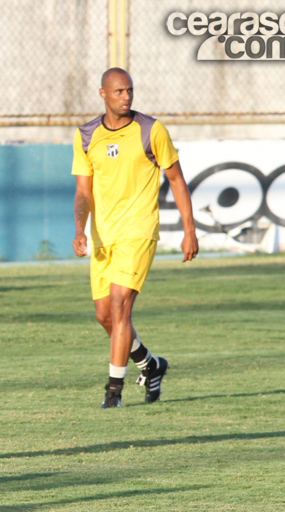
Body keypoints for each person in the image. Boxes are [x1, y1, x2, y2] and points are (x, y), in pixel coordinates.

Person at [71, 68, 198, 408]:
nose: (126, 96)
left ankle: (113, 393)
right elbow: (83, 191)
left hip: (138, 231)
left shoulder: (151, 130)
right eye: (119, 91)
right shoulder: (86, 135)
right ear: (103, 94)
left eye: (129, 90)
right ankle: (150, 364)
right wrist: (80, 229)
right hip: (103, 236)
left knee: (119, 305)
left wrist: (189, 230)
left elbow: (176, 179)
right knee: (104, 316)